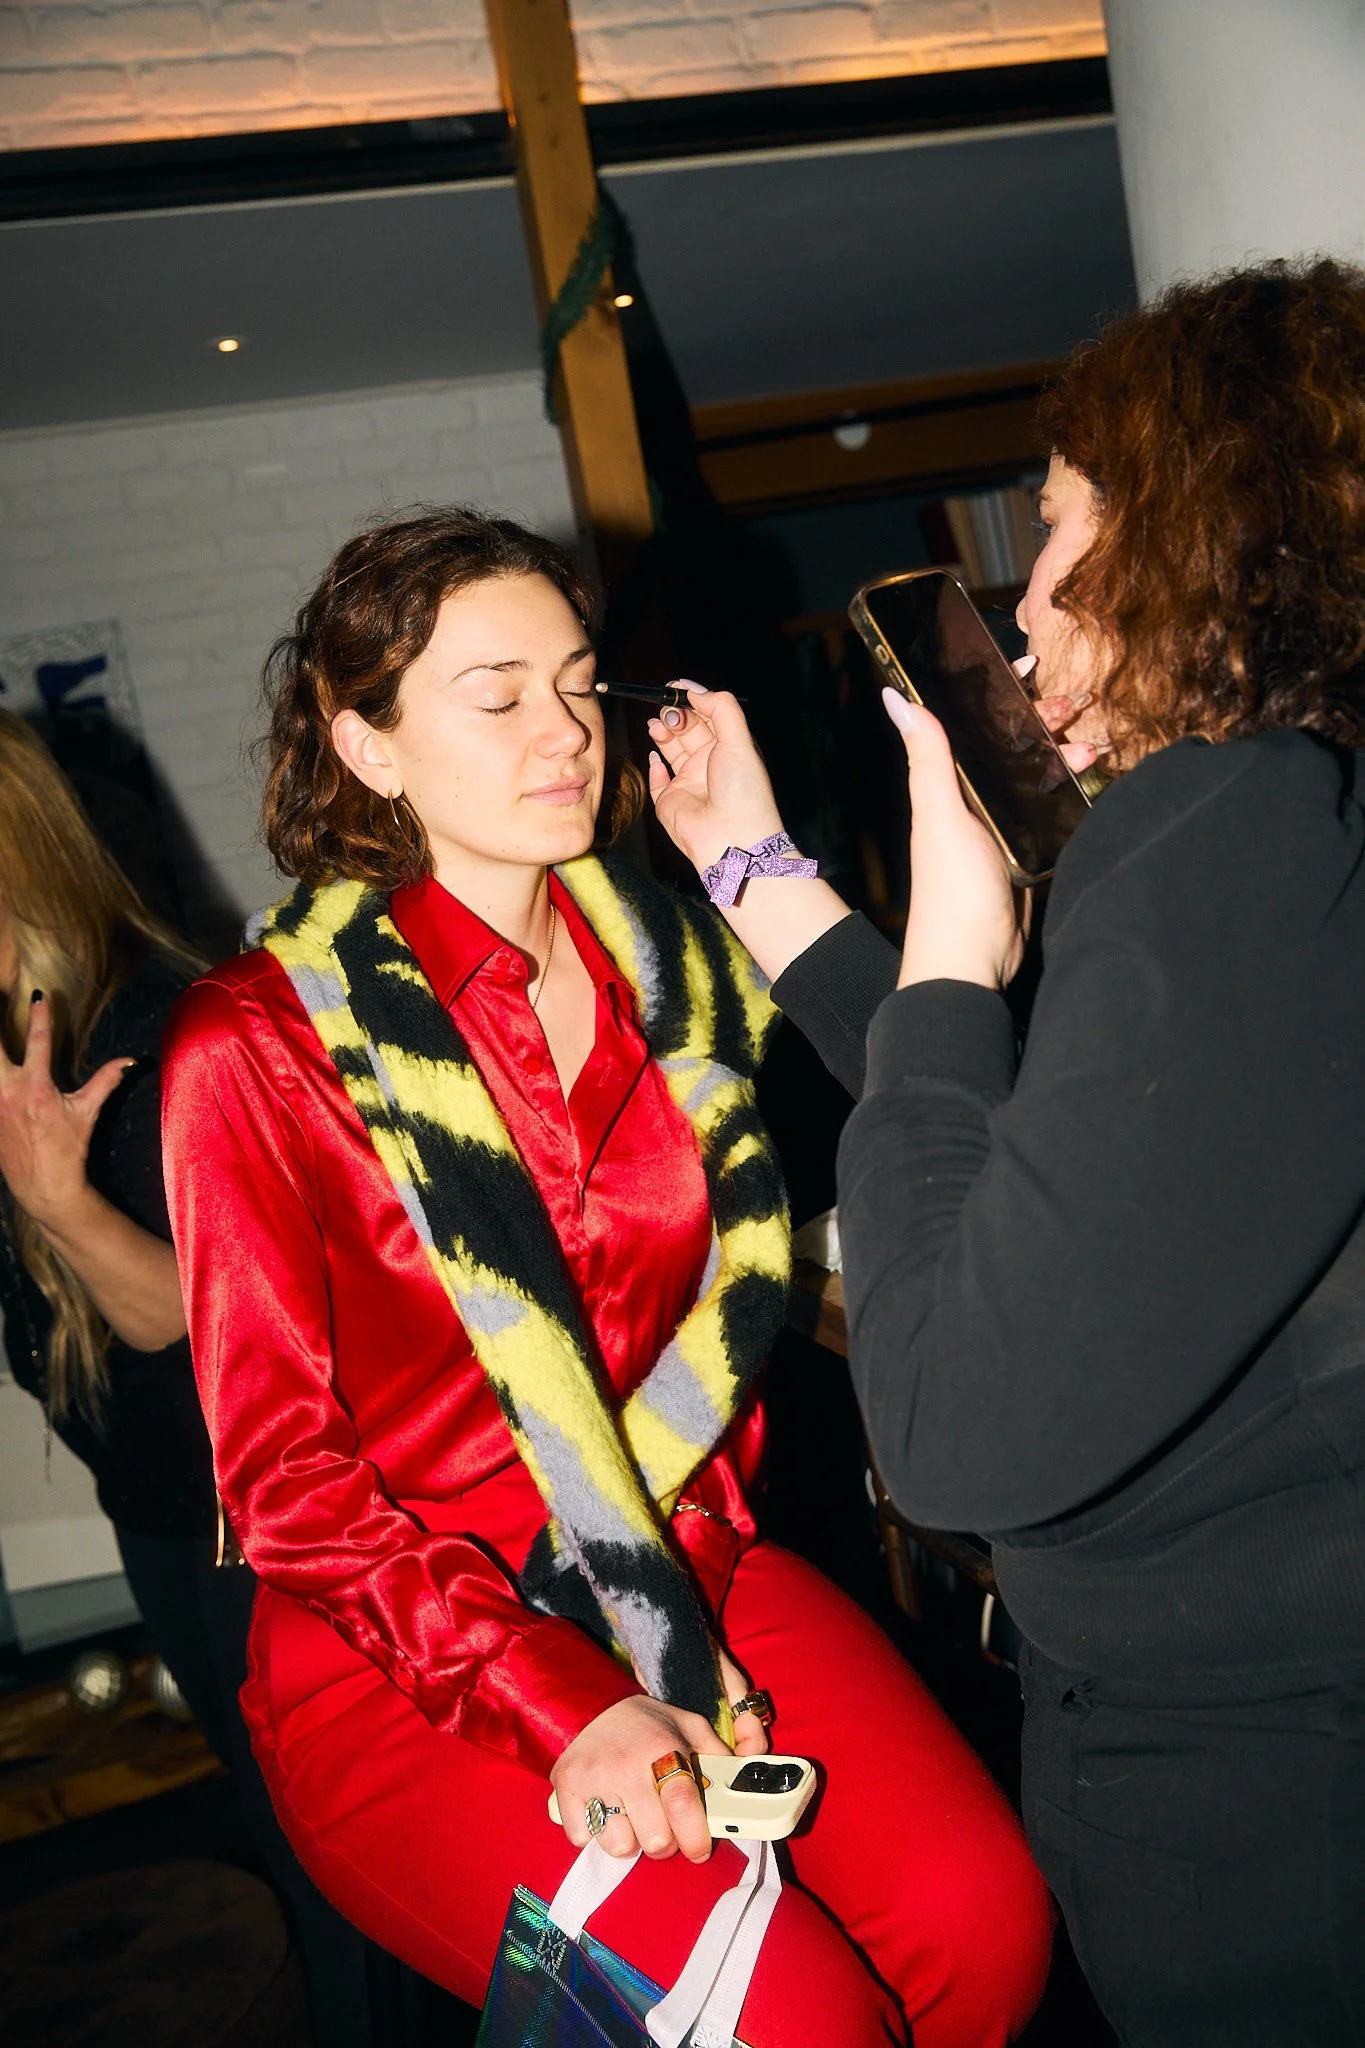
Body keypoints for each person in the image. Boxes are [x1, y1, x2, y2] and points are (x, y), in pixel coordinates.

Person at [160, 507, 1053, 2048]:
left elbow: (929, 1089)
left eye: (579, 685)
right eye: (495, 697)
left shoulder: (680, 967)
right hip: (409, 1648)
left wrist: (765, 851)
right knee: (792, 2019)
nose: (564, 732)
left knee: (988, 1931)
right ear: (365, 745)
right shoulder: (256, 1046)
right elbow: (286, 1485)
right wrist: (560, 1695)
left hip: (681, 1560)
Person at [646, 258, 1365, 2047]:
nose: (1023, 613)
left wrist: (962, 937)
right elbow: (1054, 1145)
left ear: (1194, 530)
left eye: (1052, 531)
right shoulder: (1308, 811)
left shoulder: (1235, 824)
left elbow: (958, 1423)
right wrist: (769, 878)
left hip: (1264, 1804)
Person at [0, 710, 381, 2048]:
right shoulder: (27, 1029)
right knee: (292, 1846)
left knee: (338, 1875)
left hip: (260, 1525)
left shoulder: (156, 1026)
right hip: (163, 1508)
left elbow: (197, 1312)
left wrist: (59, 1201)